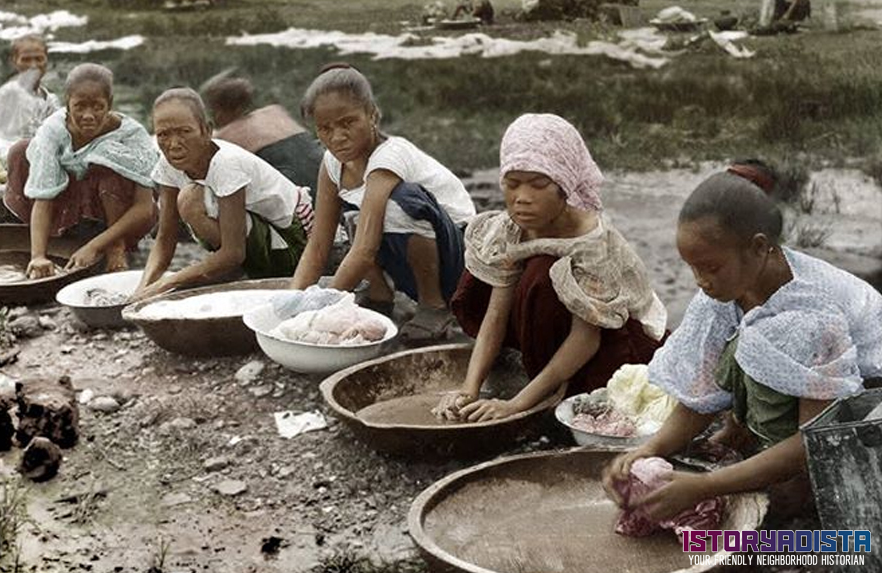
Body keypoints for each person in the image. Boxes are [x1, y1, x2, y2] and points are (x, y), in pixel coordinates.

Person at [601, 170, 882, 521]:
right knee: (739, 340)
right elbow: (698, 393)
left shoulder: (813, 314)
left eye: (711, 267)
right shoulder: (727, 289)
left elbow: (814, 441)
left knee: (779, 511)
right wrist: (649, 449)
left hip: (864, 409)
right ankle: (748, 438)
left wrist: (705, 486)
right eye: (693, 268)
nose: (701, 281)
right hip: (812, 395)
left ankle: (800, 491)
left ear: (760, 247)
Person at [433, 114, 667, 422]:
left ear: (565, 185)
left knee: (541, 274)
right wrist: (468, 389)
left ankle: (552, 387)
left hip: (612, 340)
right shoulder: (512, 229)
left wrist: (516, 405)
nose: (522, 199)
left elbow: (586, 339)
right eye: (512, 184)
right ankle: (538, 372)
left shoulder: (591, 243)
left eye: (538, 185)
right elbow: (495, 314)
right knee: (493, 275)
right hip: (553, 325)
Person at [289, 64, 477, 341]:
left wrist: (322, 309)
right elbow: (318, 245)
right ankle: (379, 297)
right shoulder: (332, 164)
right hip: (412, 259)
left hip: (459, 263)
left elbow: (365, 250)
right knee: (357, 219)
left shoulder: (389, 157)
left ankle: (434, 304)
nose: (337, 137)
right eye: (325, 129)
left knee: (393, 205)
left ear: (372, 114)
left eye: (347, 123)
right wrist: (294, 303)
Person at [132, 87, 314, 300]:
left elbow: (233, 252)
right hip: (258, 236)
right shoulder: (169, 164)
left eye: (184, 132)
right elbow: (164, 238)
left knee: (191, 199)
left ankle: (246, 270)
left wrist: (169, 281)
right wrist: (142, 290)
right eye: (163, 134)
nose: (173, 144)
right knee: (191, 198)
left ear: (207, 130)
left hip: (295, 243)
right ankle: (232, 268)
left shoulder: (226, 164)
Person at [4, 63, 158, 278]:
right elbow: (43, 195)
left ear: (110, 104)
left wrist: (95, 246)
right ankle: (53, 235)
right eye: (80, 106)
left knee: (108, 164)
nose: (88, 115)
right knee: (21, 151)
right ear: (67, 105)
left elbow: (144, 208)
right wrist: (38, 256)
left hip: (117, 214)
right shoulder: (54, 131)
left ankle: (116, 246)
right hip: (68, 206)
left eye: (97, 106)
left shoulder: (131, 135)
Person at [200, 70, 324, 200]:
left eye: (213, 110)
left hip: (301, 203)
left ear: (219, 111)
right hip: (330, 194)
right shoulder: (277, 113)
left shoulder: (227, 137)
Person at [0, 34, 61, 189]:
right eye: (26, 59)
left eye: (39, 59)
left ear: (47, 61)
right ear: (14, 62)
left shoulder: (50, 99)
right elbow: (2, 137)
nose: (33, 65)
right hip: (8, 151)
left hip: (37, 153)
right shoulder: (8, 94)